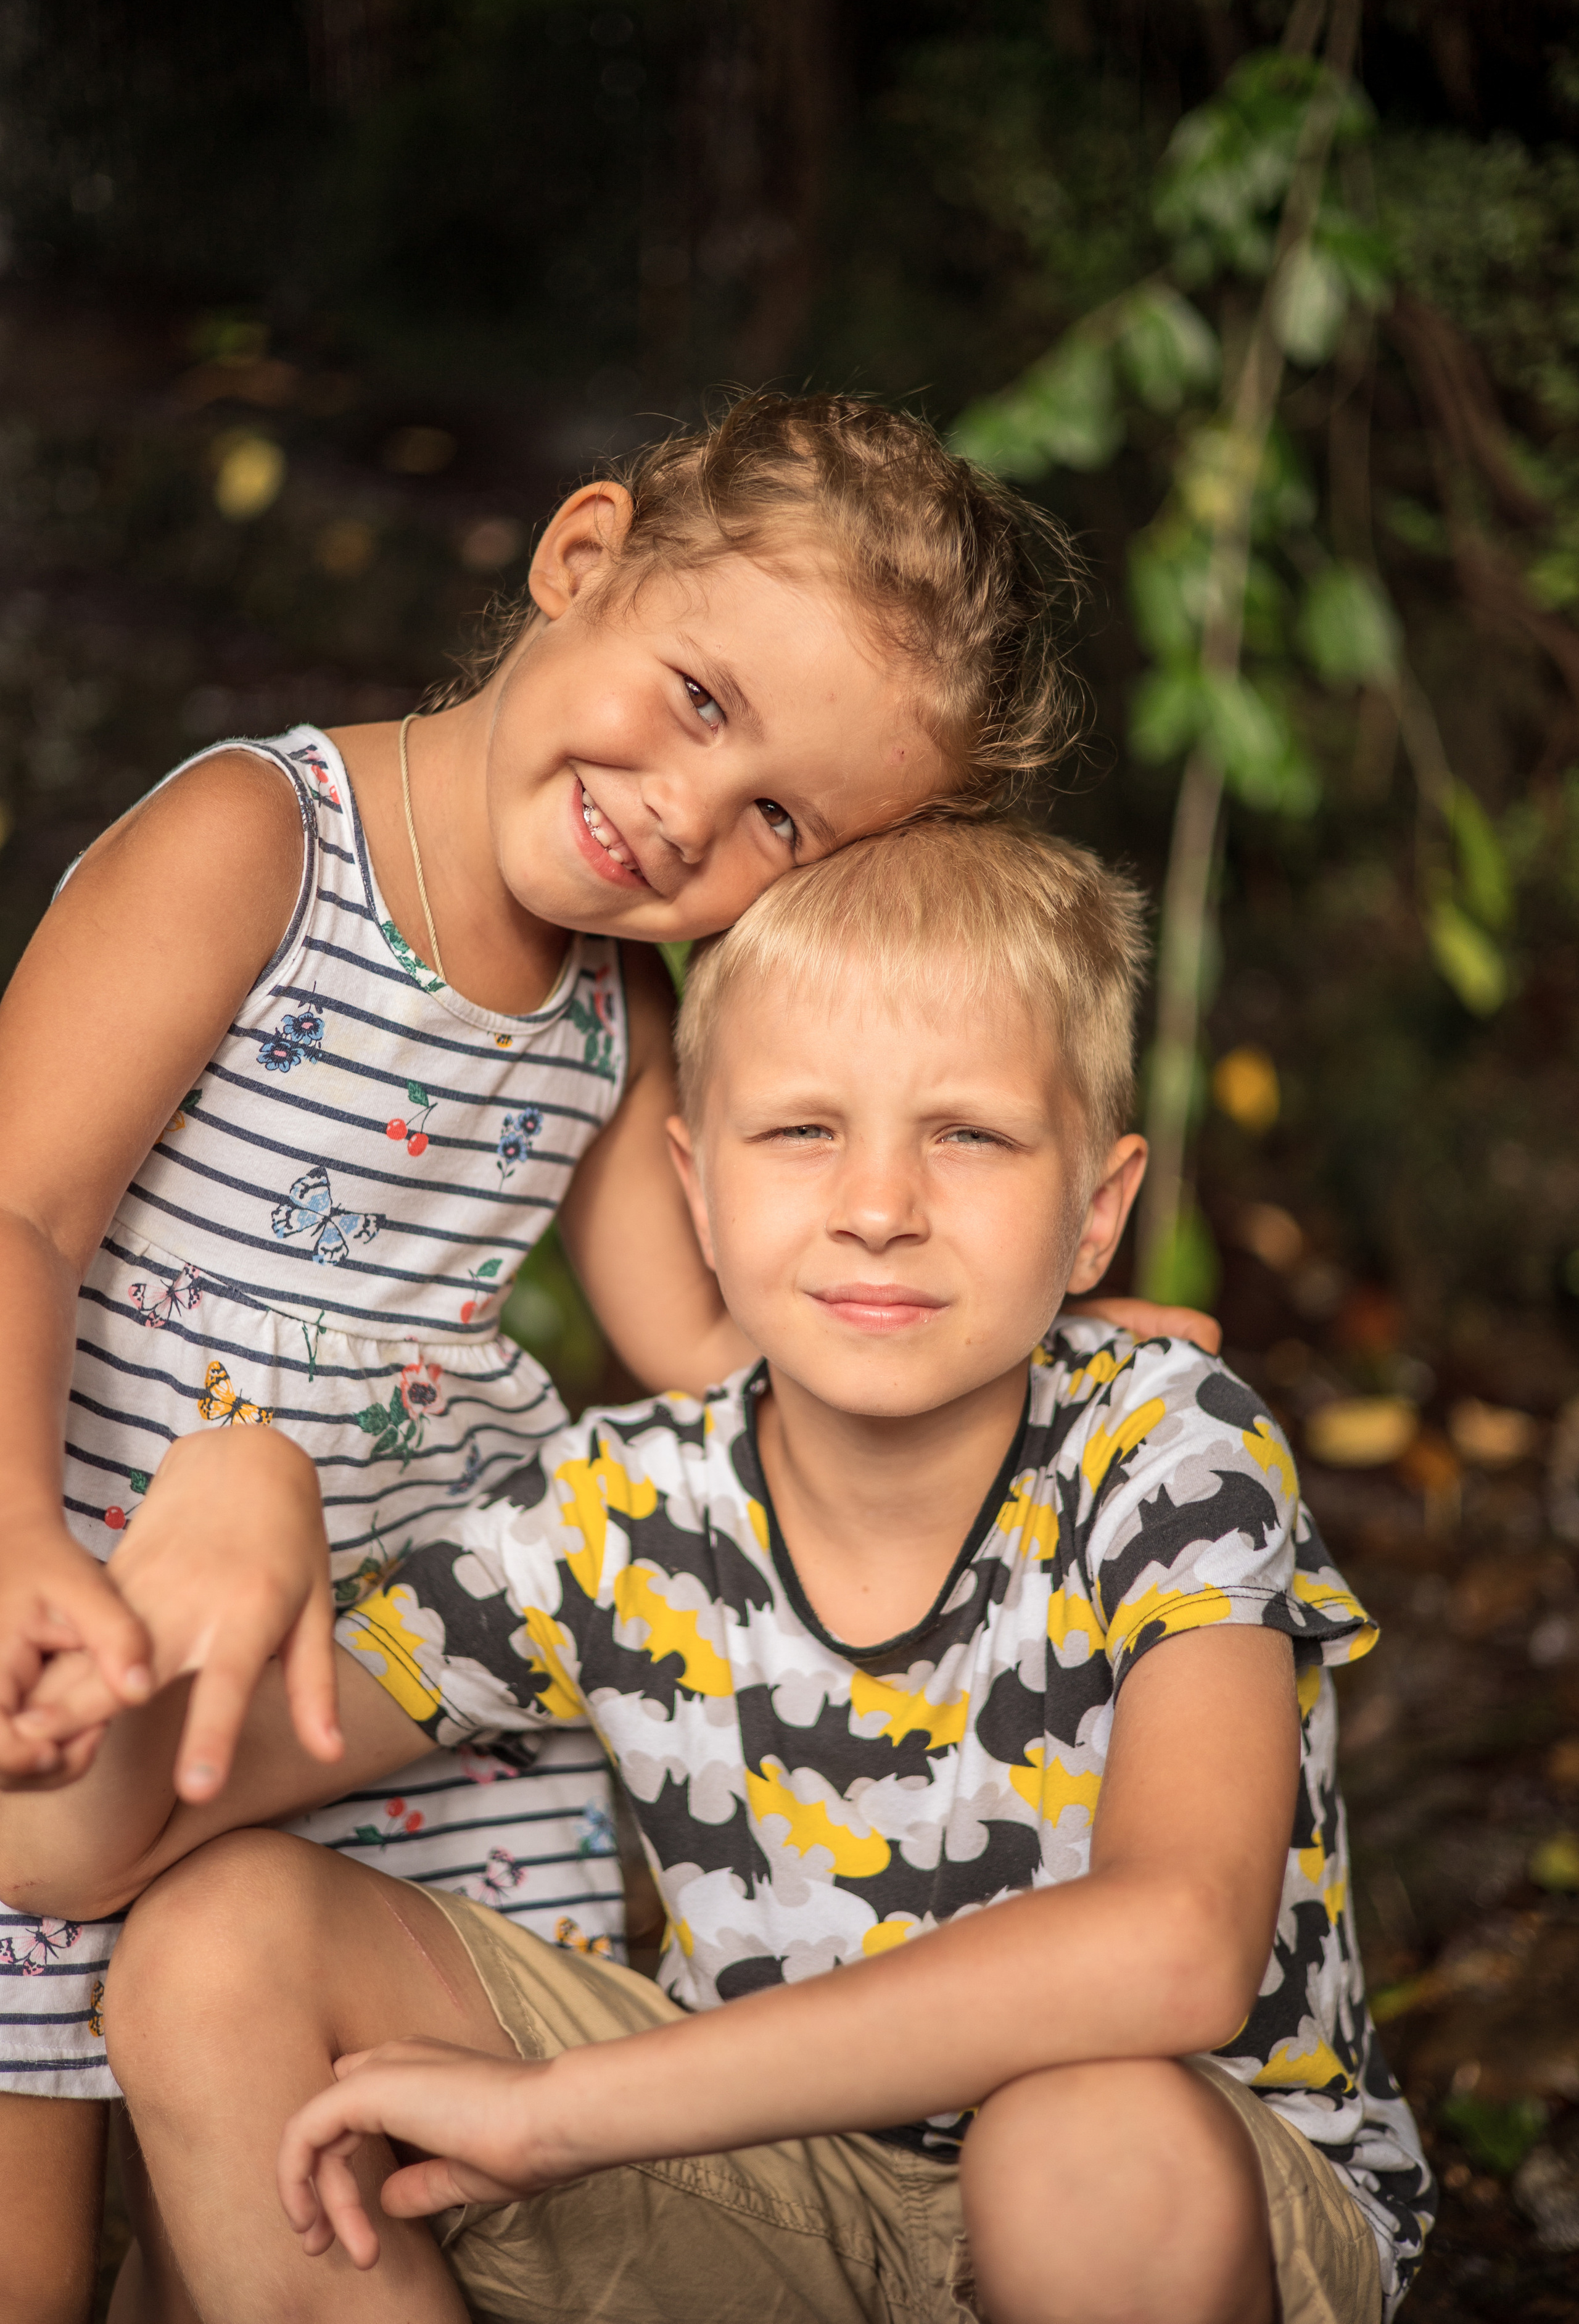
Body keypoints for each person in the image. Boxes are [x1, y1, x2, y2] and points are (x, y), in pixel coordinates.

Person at [0, 394, 1204, 2324]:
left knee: (302, 2198)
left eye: (780, 823)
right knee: (30, 2256)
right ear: (581, 563)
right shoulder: (264, 841)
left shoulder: (611, 1008)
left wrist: (1012, 1334)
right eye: (702, 701)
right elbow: (22, 1213)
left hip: (392, 1666)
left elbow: (722, 1354)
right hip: (96, 1604)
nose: (683, 812)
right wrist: (18, 1547)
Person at [4, 819, 1433, 2324]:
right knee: (215, 1946)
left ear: (1095, 1207)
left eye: (969, 1134)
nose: (876, 1205)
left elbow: (1178, 1950)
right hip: (767, 2192)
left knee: (1077, 2139)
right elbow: (69, 1851)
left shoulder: (1161, 1439)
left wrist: (566, 2110)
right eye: (800, 1130)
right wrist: (229, 1486)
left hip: (1172, 2185)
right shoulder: (615, 1512)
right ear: (694, 1189)